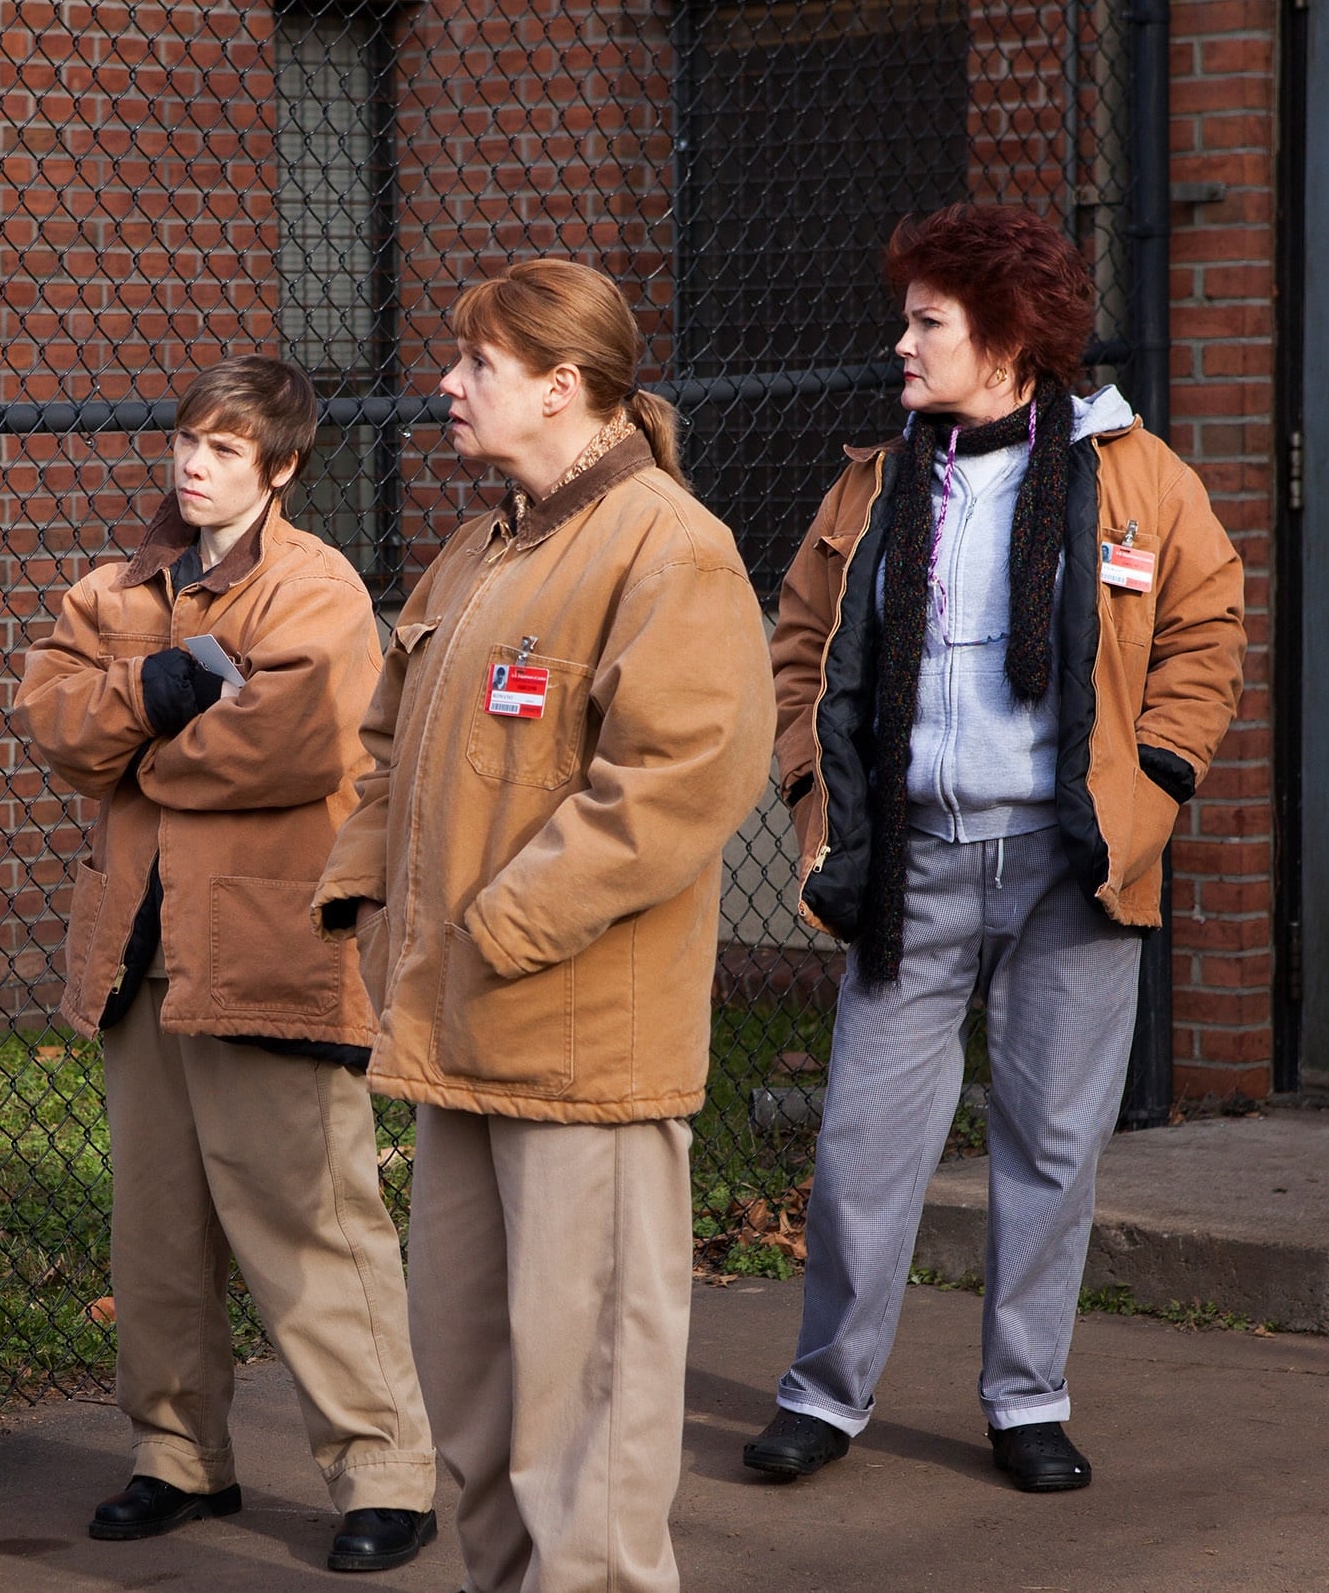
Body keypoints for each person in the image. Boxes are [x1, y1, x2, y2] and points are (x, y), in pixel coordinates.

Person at [753, 203, 1244, 1493]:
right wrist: (811, 781)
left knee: (1051, 1145)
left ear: (1009, 338)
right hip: (911, 864)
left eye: (928, 322)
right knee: (862, 1144)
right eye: (906, 320)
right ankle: (824, 1397)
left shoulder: (1134, 473)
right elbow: (802, 643)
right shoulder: (873, 482)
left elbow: (1207, 628)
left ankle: (1029, 1402)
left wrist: (1158, 780)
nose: (901, 345)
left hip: (1071, 864)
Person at [311, 260, 775, 1593]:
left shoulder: (668, 548)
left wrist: (501, 925)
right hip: (458, 1032)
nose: (446, 386)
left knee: (591, 1410)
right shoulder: (483, 547)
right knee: (475, 1386)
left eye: (479, 365)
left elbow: (679, 779)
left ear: (564, 386)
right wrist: (367, 897)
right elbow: (390, 746)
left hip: (583, 1048)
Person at [14, 356, 440, 1574]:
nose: (195, 467)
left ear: (282, 467)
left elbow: (294, 742)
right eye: (188, 442)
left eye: (226, 450)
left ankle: (386, 1473)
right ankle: (177, 1457)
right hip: (138, 952)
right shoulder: (116, 588)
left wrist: (137, 747)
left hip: (266, 952)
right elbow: (49, 715)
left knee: (309, 1222)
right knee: (156, 1229)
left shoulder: (316, 587)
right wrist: (163, 684)